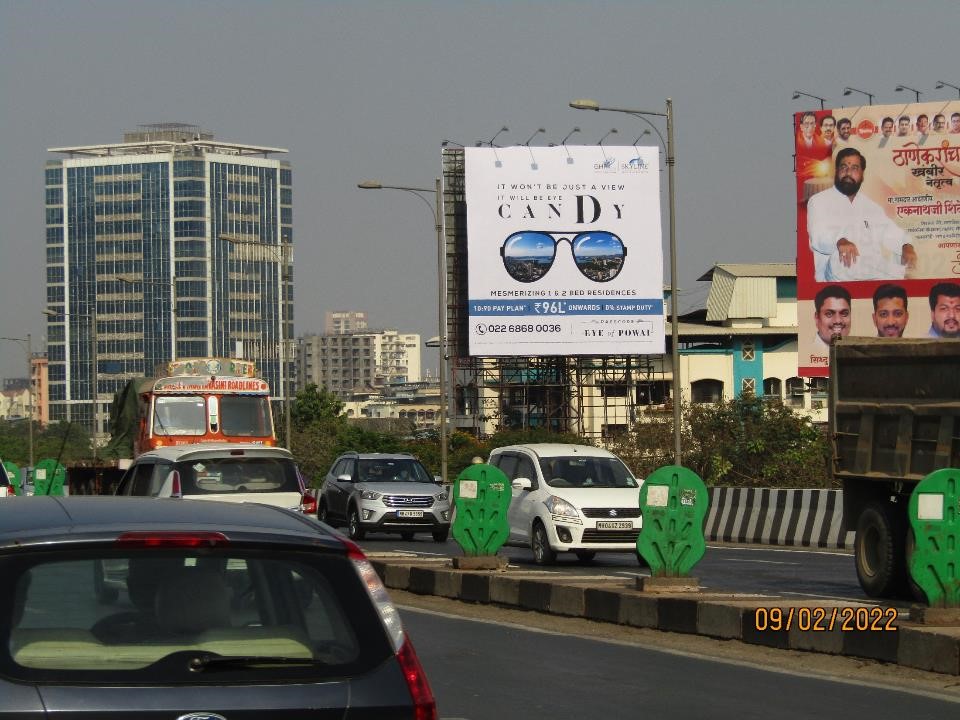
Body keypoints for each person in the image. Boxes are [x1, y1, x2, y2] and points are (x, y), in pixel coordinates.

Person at [807, 148, 918, 282]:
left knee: (908, 274)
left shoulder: (871, 207)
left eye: (854, 168)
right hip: (836, 280)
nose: (848, 173)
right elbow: (818, 235)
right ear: (836, 171)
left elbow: (890, 231)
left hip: (872, 276)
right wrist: (839, 240)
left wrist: (906, 246)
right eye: (844, 167)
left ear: (862, 175)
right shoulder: (819, 201)